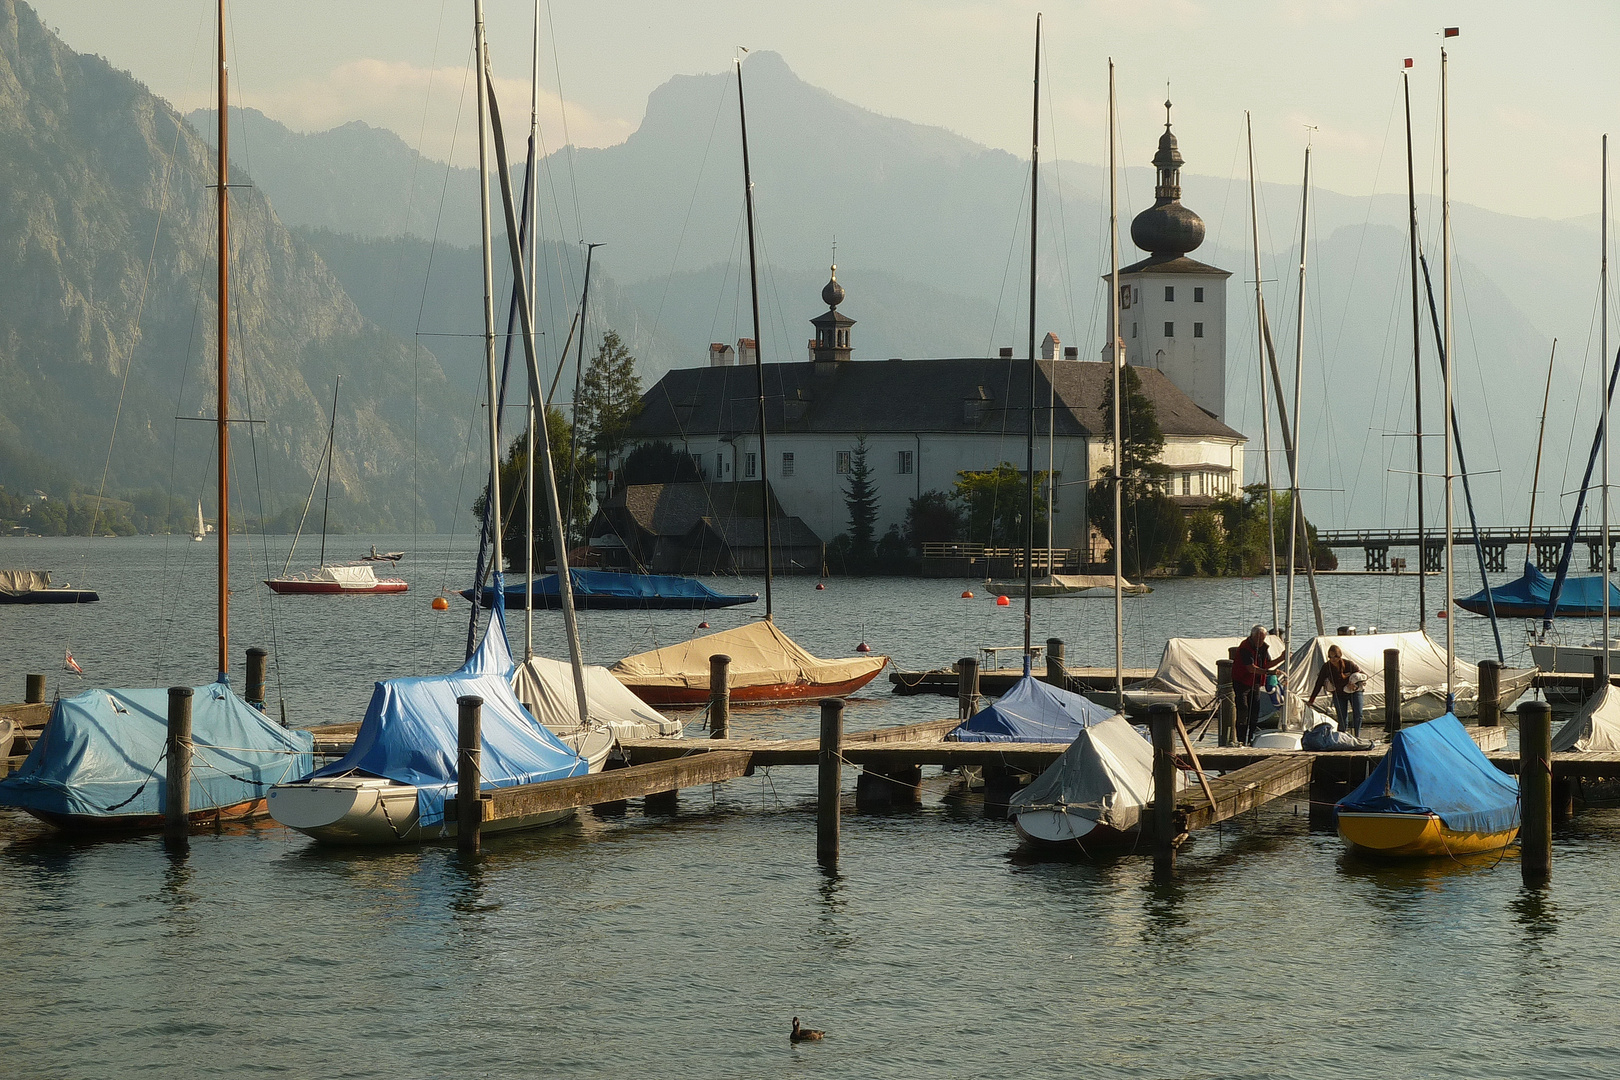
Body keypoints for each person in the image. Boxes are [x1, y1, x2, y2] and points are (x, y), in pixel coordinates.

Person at [1233, 624, 1284, 743]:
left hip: (1255, 683)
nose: (1260, 641)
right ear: (1252, 636)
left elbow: (1266, 664)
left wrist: (1282, 658)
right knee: (1243, 710)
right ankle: (1240, 739)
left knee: (1254, 711)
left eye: (1262, 639)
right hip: (1242, 682)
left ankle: (1251, 737)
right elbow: (1251, 668)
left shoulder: (1263, 647)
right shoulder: (1245, 647)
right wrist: (1269, 672)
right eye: (1258, 638)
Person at [1308, 644, 1365, 736]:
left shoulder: (1349, 664)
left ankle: (1357, 736)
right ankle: (1342, 737)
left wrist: (1355, 686)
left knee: (1358, 714)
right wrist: (1311, 700)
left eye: (1335, 656)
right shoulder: (1326, 667)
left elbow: (1363, 676)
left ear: (1340, 656)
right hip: (1338, 694)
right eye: (1330, 657)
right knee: (1342, 718)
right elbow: (1318, 684)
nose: (1333, 659)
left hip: (1354, 692)